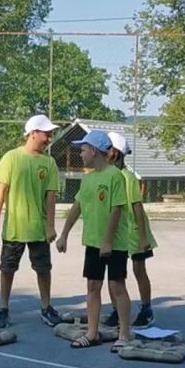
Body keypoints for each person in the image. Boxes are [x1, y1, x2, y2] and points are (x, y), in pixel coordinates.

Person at [55, 131, 133, 352]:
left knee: (117, 286)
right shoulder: (88, 179)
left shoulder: (115, 176)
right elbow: (77, 207)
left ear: (95, 151)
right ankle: (92, 332)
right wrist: (64, 234)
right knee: (92, 286)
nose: (80, 153)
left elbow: (117, 210)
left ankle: (124, 334)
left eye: (83, 149)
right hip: (92, 242)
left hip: (114, 244)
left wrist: (108, 241)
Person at [0, 114, 63, 329]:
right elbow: (1, 190)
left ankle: (46, 307)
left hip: (38, 228)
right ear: (33, 133)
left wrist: (50, 226)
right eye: (46, 134)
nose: (49, 138)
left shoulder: (49, 163)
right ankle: (3, 309)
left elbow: (51, 196)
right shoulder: (11, 157)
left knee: (43, 268)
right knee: (7, 268)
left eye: (50, 134)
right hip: (14, 228)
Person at [103, 131, 157, 329]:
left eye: (107, 149)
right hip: (117, 233)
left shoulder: (128, 178)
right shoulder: (107, 176)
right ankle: (117, 311)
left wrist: (143, 237)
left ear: (114, 153)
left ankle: (146, 309)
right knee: (115, 274)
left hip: (134, 231)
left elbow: (137, 208)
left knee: (138, 270)